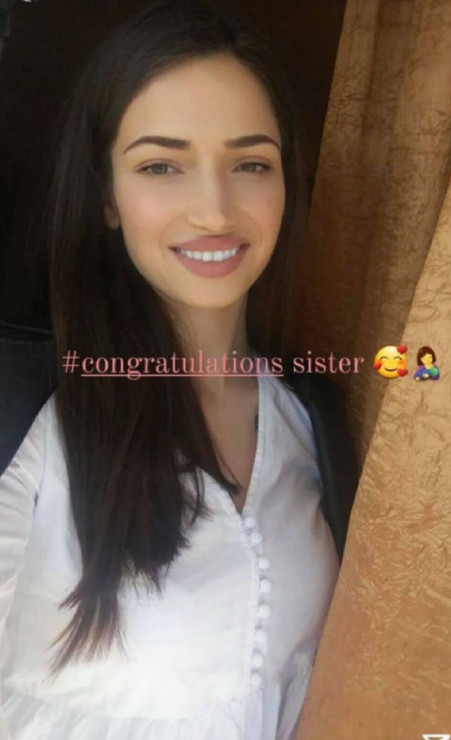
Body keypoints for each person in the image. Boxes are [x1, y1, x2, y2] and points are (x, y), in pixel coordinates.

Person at [0, 1, 341, 738]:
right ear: (106, 195)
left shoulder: (316, 422)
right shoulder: (28, 426)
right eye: (162, 166)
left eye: (251, 163)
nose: (214, 210)